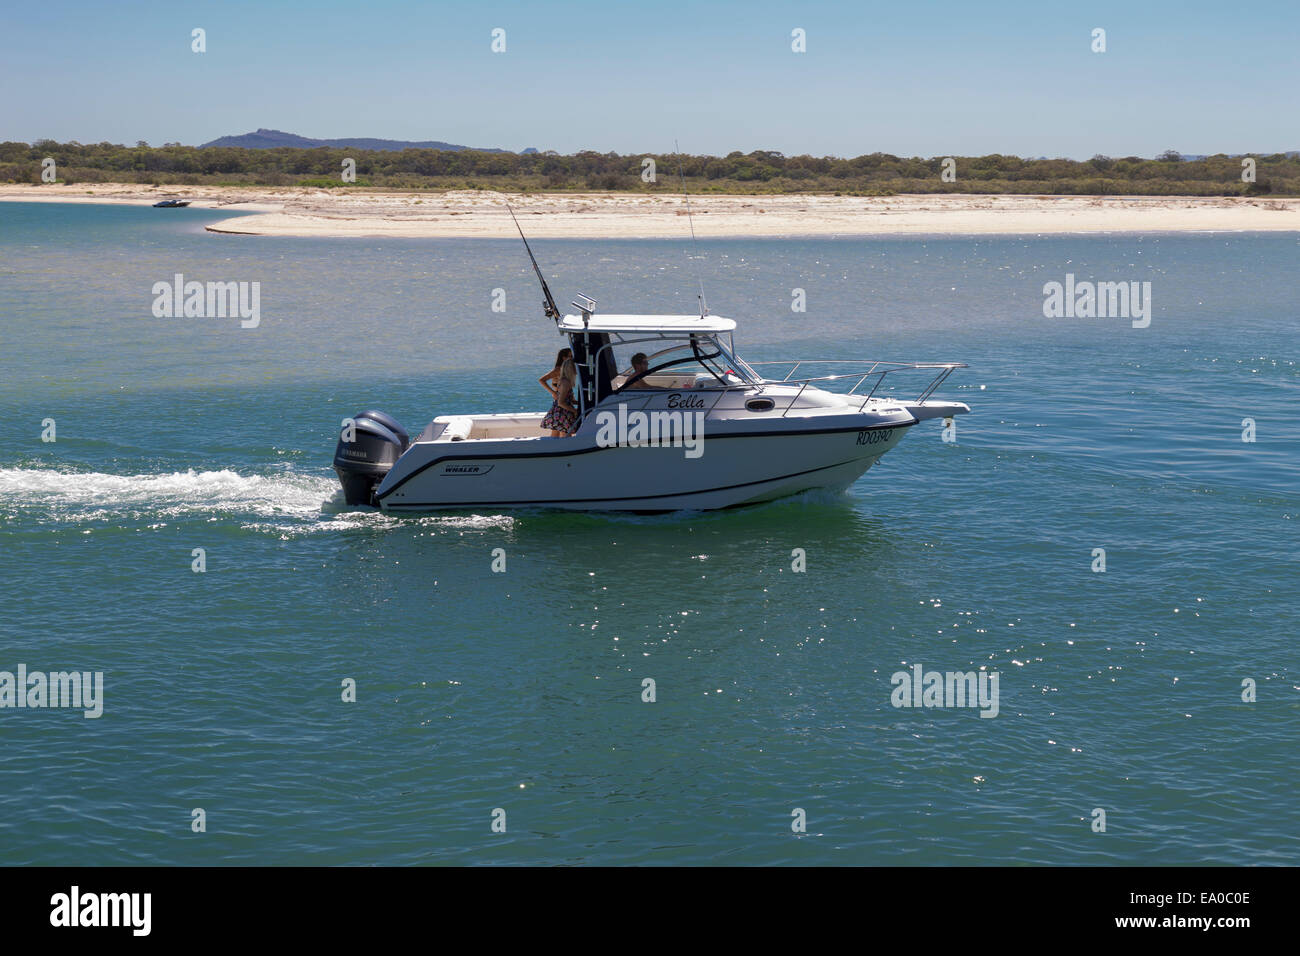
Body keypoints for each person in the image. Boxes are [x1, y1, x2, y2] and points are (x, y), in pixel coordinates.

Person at [540, 358, 579, 436]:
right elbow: (561, 402)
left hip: (558, 412)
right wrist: (575, 411)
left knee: (555, 438)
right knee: (566, 438)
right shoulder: (566, 383)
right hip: (562, 414)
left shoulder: (563, 380)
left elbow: (567, 399)